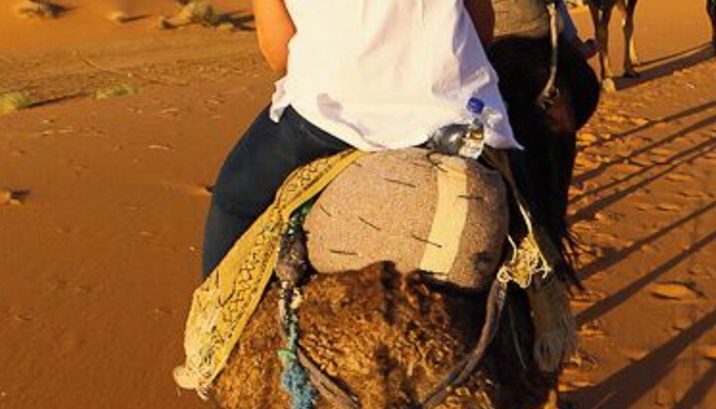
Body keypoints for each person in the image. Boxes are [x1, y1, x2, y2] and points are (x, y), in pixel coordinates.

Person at [200, 0, 524, 277]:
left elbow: (280, 58)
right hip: (451, 111)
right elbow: (481, 30)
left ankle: (213, 336)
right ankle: (544, 294)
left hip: (331, 116)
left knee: (234, 201)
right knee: (524, 201)